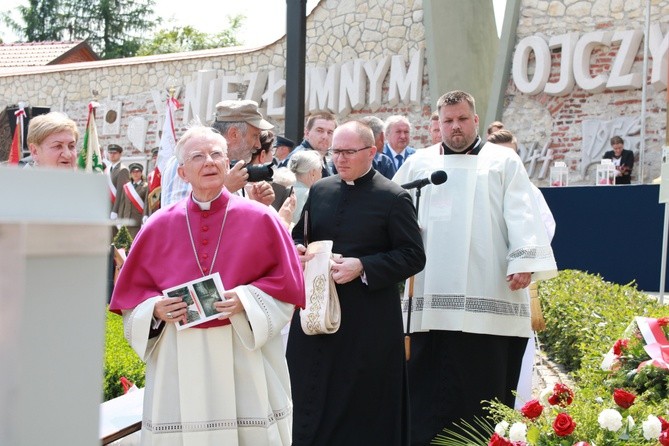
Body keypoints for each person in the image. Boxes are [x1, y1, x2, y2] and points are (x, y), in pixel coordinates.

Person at [109, 125, 305, 445]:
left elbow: (287, 284)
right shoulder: (159, 224)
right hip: (178, 350)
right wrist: (155, 308)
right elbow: (132, 296)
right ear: (183, 172)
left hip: (241, 347)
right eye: (198, 157)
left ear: (228, 163)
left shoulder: (261, 219)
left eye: (216, 154)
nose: (209, 162)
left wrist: (246, 298)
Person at [393, 90, 557, 445]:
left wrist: (523, 261)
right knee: (425, 382)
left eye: (462, 119)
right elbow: (395, 213)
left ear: (476, 120)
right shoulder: (419, 165)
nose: (455, 127)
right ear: (438, 123)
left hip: (487, 290)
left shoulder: (503, 161)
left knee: (482, 379)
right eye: (448, 121)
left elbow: (522, 214)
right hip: (428, 293)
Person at [287, 120, 426, 446]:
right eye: (336, 151)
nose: (341, 159)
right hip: (317, 315)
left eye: (349, 152)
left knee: (361, 406)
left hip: (368, 323)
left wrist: (363, 266)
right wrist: (298, 249)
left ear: (372, 152)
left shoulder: (394, 197)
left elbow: (413, 256)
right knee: (308, 391)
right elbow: (299, 236)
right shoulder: (321, 189)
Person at [487, 128, 557, 409]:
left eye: (512, 154)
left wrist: (522, 259)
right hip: (485, 280)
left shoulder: (530, 191)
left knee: (519, 350)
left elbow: (545, 227)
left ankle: (519, 406)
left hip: (515, 280)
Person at [278, 112, 337, 178]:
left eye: (330, 132)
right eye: (320, 131)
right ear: (307, 133)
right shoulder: (299, 158)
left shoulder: (321, 157)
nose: (325, 136)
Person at [287, 150, 322, 224]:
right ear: (313, 173)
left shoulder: (284, 190)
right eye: (320, 171)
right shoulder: (312, 195)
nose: (321, 175)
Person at [116, 163, 149, 238]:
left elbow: (146, 203)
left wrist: (145, 216)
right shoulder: (127, 187)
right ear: (130, 174)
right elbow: (122, 205)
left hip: (137, 221)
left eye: (137, 171)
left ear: (141, 173)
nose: (135, 174)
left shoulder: (146, 186)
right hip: (126, 220)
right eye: (133, 172)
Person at [108, 144, 130, 219]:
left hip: (115, 208)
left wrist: (115, 210)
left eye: (114, 153)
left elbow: (120, 192)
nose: (112, 155)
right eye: (110, 153)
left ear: (120, 154)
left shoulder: (122, 170)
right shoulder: (108, 169)